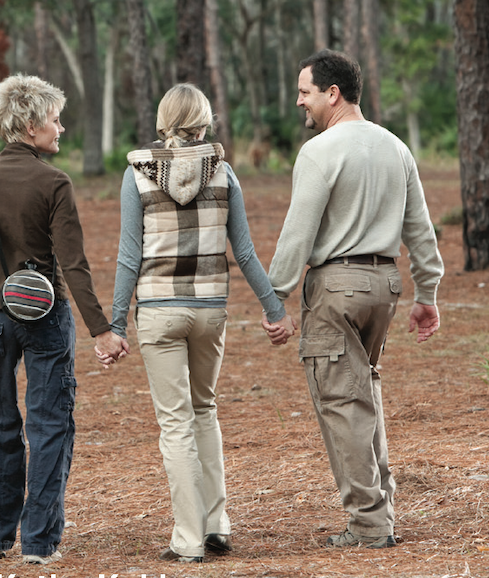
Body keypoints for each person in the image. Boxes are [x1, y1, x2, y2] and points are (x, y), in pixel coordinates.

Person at [99, 83, 295, 563]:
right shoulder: (224, 173)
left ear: (165, 119)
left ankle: (187, 539)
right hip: (210, 311)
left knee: (175, 423)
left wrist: (117, 326)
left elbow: (129, 257)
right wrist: (275, 310)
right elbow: (244, 252)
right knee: (204, 410)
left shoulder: (138, 175)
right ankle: (216, 525)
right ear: (204, 121)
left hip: (160, 313)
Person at [263, 49, 444, 548]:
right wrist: (425, 292)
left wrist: (274, 297)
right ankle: (380, 508)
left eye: (305, 92)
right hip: (384, 289)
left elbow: (298, 234)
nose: (300, 102)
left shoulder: (320, 152)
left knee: (343, 403)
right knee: (363, 395)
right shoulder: (396, 147)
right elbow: (421, 232)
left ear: (332, 93)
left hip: (337, 289)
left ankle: (368, 524)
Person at [0, 74, 127, 565]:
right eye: (54, 119)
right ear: (30, 125)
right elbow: (73, 264)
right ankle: (40, 543)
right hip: (45, 318)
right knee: (49, 425)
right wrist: (103, 330)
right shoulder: (54, 183)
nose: (61, 127)